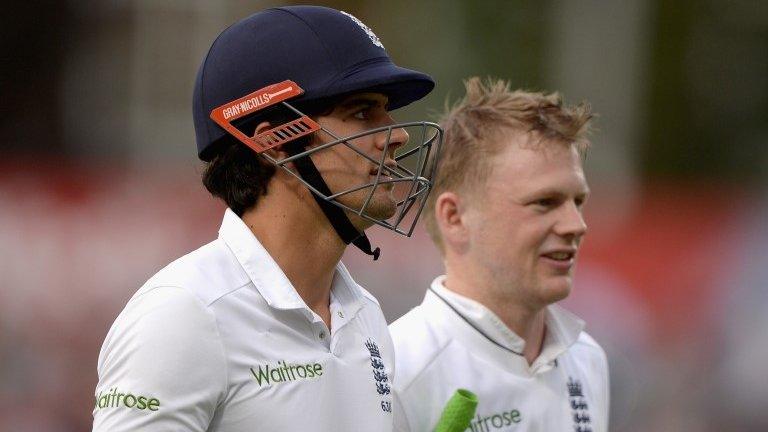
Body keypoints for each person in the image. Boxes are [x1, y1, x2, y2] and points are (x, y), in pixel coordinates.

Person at [92, 6, 442, 432]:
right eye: (362, 112)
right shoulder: (184, 313)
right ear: (275, 143)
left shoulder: (364, 315)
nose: (398, 134)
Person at [390, 78, 610, 432]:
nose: (576, 224)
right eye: (544, 202)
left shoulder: (587, 357)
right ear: (454, 217)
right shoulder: (397, 371)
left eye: (578, 201)